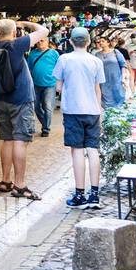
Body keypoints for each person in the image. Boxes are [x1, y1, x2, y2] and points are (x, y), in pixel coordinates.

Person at [0, 17, 48, 200]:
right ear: (14, 33)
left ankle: (5, 181)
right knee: (20, 141)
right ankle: (20, 185)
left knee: (7, 140)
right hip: (20, 100)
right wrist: (26, 24)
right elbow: (43, 31)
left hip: (0, 99)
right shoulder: (17, 45)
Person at [53, 26, 106, 208]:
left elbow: (58, 87)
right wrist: (99, 109)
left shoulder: (64, 59)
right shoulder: (95, 61)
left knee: (77, 150)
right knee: (93, 150)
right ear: (89, 42)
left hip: (73, 110)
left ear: (70, 41)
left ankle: (79, 194)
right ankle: (95, 194)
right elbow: (98, 88)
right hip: (92, 110)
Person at [26, 35, 60, 138]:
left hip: (50, 84)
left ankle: (46, 129)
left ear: (47, 42)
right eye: (38, 41)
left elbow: (59, 69)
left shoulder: (54, 53)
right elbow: (29, 69)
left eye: (42, 40)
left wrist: (59, 83)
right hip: (35, 84)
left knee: (48, 106)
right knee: (36, 107)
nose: (40, 42)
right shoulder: (32, 54)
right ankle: (45, 124)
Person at [95, 35, 128, 108]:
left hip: (116, 79)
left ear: (108, 43)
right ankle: (109, 116)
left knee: (118, 95)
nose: (100, 43)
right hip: (103, 81)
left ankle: (118, 115)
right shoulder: (97, 54)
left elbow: (123, 65)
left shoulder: (115, 52)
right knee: (105, 98)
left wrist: (123, 78)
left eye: (103, 41)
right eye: (99, 41)